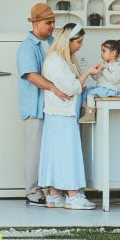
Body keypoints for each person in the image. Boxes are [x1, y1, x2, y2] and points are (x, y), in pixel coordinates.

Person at [38, 23, 103, 210]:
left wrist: (82, 78)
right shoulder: (56, 61)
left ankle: (54, 194)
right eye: (79, 41)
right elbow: (72, 87)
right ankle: (73, 196)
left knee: (57, 154)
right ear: (69, 41)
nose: (80, 45)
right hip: (62, 114)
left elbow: (73, 85)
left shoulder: (60, 60)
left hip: (58, 114)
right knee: (68, 154)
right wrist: (88, 73)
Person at [17, 3, 71, 207]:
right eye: (49, 23)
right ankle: (32, 192)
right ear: (36, 23)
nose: (52, 26)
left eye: (54, 22)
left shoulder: (52, 42)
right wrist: (55, 88)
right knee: (35, 150)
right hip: (35, 106)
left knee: (51, 149)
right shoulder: (27, 48)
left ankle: (53, 190)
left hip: (53, 107)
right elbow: (32, 76)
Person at [78, 39, 120, 124]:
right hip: (102, 89)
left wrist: (104, 70)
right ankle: (86, 112)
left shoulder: (119, 67)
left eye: (104, 51)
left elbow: (114, 79)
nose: (101, 53)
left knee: (90, 95)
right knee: (85, 92)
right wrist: (94, 73)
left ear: (113, 53)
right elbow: (99, 79)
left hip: (109, 90)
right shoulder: (105, 65)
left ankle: (90, 115)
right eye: (101, 51)